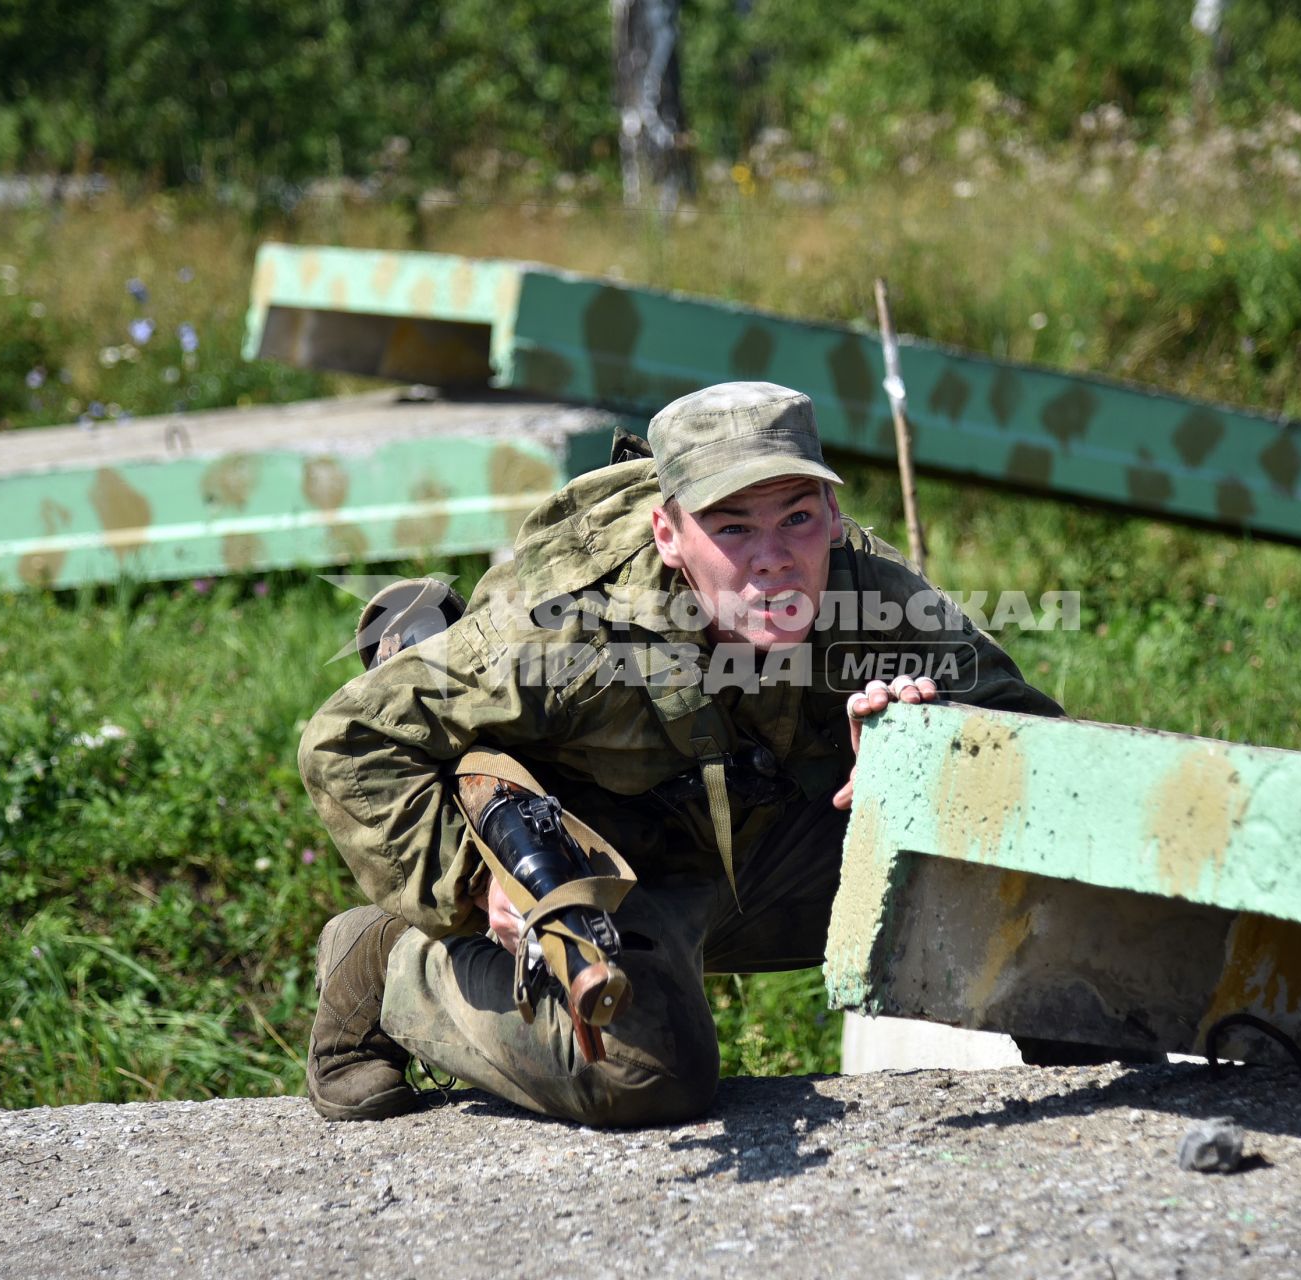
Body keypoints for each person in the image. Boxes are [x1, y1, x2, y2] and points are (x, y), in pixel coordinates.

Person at [298, 380, 1062, 1126]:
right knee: (647, 1079)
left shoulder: (877, 597)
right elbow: (352, 740)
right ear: (669, 533)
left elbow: (1043, 746)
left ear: (831, 514)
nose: (773, 559)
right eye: (731, 528)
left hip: (769, 844)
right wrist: (466, 887)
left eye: (796, 517)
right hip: (619, 868)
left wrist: (925, 752)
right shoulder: (567, 629)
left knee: (1035, 911)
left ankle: (1078, 1043)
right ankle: (391, 958)